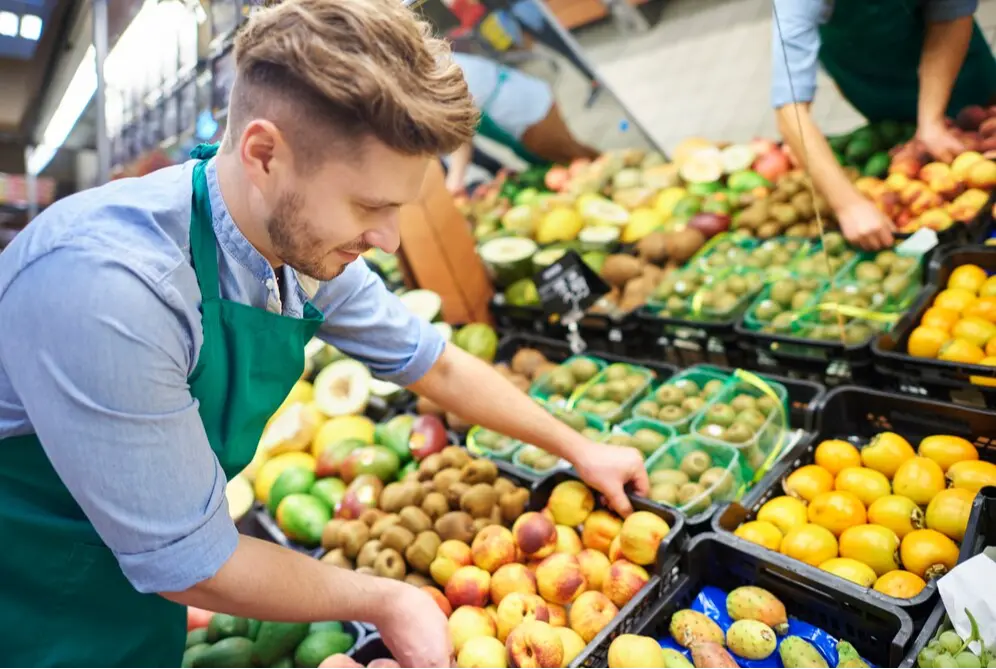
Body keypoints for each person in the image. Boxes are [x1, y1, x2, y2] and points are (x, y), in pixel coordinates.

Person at [0, 1, 648, 667]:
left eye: (399, 207)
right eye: (370, 206)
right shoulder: (112, 289)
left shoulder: (291, 243)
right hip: (30, 601)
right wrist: (385, 598)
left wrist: (579, 447)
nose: (390, 239)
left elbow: (431, 361)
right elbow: (188, 565)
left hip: (131, 579)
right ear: (263, 155)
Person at [771, 0, 996, 250]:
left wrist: (930, 121)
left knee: (980, 121)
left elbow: (951, 14)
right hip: (867, 73)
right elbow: (790, 106)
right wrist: (849, 204)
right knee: (895, 132)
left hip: (954, 61)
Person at [444, 50, 599, 195]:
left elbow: (460, 132)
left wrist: (455, 180)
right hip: (516, 117)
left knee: (578, 161)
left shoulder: (437, 72)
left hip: (527, 112)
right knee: (561, 170)